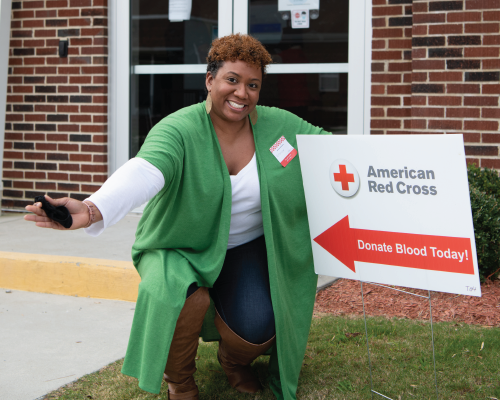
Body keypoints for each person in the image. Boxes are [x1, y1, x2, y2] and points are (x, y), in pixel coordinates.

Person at [25, 34, 328, 400]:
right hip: (177, 244)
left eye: (253, 85)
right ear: (209, 80)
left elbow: (334, 153)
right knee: (179, 295)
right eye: (232, 79)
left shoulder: (278, 127)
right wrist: (92, 209)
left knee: (257, 328)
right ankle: (180, 380)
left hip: (243, 247)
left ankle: (233, 360)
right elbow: (145, 170)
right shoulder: (179, 129)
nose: (242, 93)